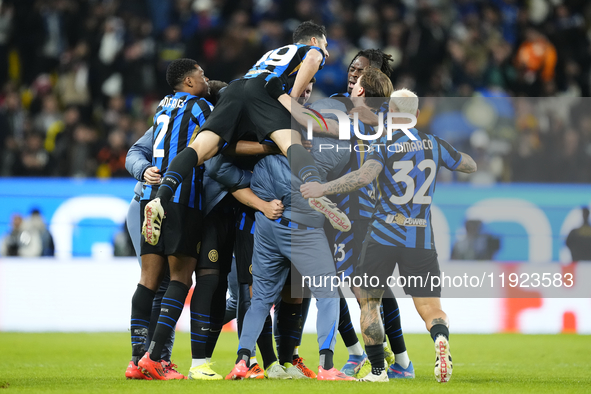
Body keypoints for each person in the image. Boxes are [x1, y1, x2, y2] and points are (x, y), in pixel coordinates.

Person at [301, 89, 477, 382]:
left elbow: (363, 177)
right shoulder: (434, 144)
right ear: (417, 115)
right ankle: (439, 339)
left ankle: (379, 371)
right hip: (420, 239)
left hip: (383, 234)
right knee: (431, 307)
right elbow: (468, 164)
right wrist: (455, 157)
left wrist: (323, 188)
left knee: (369, 303)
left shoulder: (382, 143)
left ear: (391, 113)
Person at [142, 21, 350, 250]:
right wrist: (292, 96)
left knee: (199, 149)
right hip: (263, 90)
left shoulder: (271, 53)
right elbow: (313, 59)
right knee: (292, 143)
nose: (327, 50)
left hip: (236, 87)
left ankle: (160, 198)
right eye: (325, 44)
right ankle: (315, 188)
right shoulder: (311, 50)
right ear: (314, 40)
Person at [270, 66, 413, 379]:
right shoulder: (393, 125)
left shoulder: (354, 121)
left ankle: (377, 366)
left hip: (355, 216)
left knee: (360, 293)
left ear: (360, 91)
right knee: (364, 290)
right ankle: (389, 361)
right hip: (383, 217)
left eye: (356, 83)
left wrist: (274, 92)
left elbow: (308, 120)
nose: (351, 87)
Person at [224, 97, 356, 382]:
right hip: (302, 228)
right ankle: (327, 365)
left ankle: (242, 361)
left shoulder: (276, 132)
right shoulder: (340, 148)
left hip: (267, 222)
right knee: (328, 294)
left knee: (260, 300)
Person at [129, 58, 211, 380]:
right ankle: (155, 359)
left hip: (150, 199)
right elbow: (216, 141)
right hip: (181, 198)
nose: (206, 79)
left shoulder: (162, 109)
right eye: (201, 75)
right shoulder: (200, 107)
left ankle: (136, 361)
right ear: (188, 82)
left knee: (147, 280)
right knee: (180, 279)